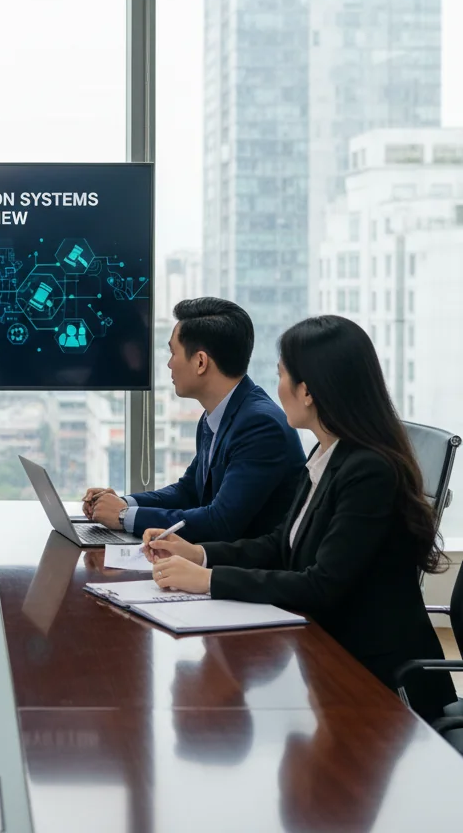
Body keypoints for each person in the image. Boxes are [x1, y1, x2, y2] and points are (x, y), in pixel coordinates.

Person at [142, 315, 456, 722]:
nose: (276, 389)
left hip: (382, 685)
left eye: (281, 376)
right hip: (331, 655)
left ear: (306, 391)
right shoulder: (329, 454)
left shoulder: (369, 471)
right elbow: (281, 544)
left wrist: (209, 581)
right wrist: (200, 554)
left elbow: (321, 585)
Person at [83, 297, 305, 541]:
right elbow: (188, 491)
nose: (169, 364)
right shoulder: (217, 415)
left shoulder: (261, 426)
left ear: (200, 362)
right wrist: (121, 503)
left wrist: (124, 516)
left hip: (249, 571)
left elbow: (220, 521)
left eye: (173, 352)